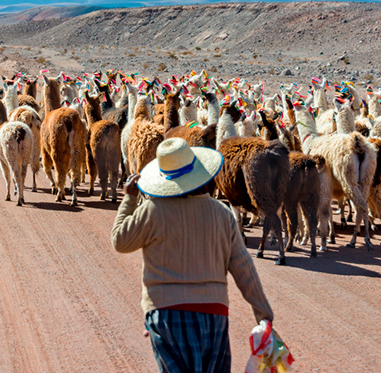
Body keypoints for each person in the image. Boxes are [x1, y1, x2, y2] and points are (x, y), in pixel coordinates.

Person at [111, 137, 274, 373]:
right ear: (199, 173)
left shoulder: (153, 211)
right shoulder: (222, 214)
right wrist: (263, 314)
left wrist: (129, 198)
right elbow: (244, 268)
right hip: (213, 314)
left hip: (165, 315)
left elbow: (120, 241)